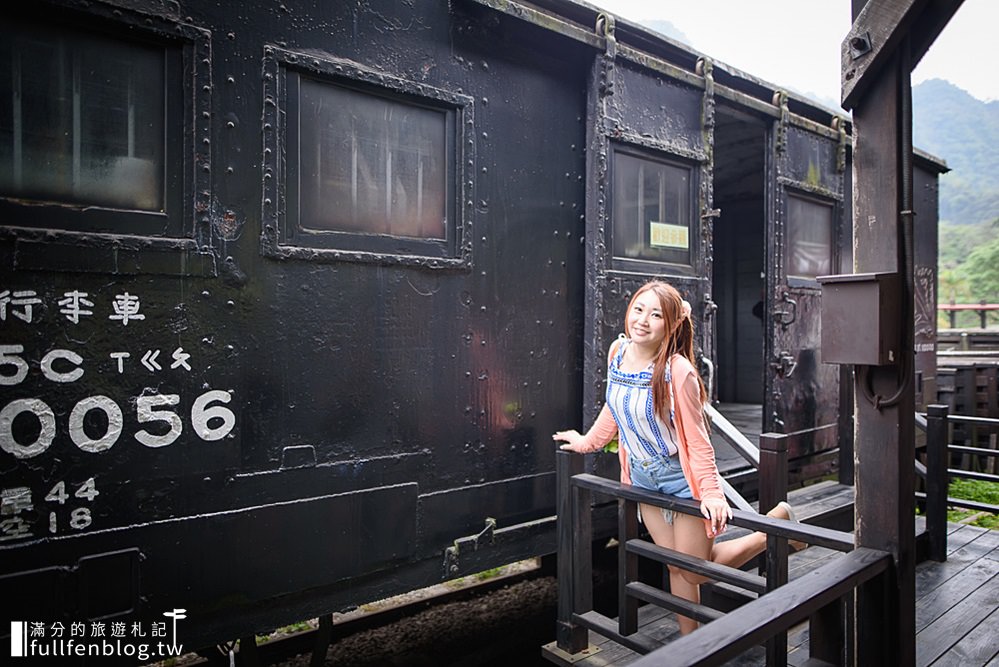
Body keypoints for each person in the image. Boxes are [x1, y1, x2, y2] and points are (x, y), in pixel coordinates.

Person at [553, 279, 800, 635]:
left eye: (655, 315)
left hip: (679, 478)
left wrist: (712, 493)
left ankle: (773, 530)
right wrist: (588, 442)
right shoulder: (618, 352)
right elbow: (614, 405)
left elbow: (698, 441)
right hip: (641, 477)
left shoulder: (677, 371)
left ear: (670, 324)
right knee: (675, 566)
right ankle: (692, 646)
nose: (642, 320)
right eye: (638, 309)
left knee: (695, 570)